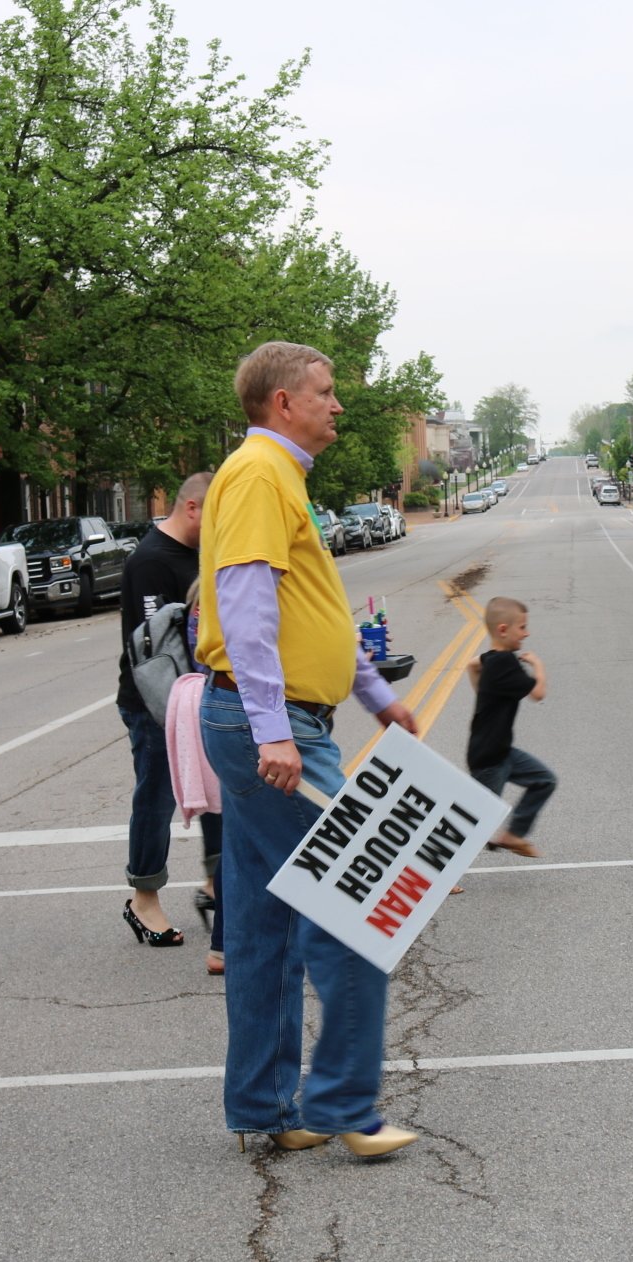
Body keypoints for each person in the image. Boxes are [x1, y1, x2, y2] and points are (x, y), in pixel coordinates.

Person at [197, 341, 420, 1158]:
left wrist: (378, 697)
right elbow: (247, 608)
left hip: (274, 721)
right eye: (325, 393)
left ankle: (266, 1105)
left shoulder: (281, 478)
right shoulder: (260, 474)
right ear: (283, 402)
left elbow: (317, 609)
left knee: (264, 926)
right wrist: (274, 732)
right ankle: (344, 1107)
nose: (337, 405)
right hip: (271, 727)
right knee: (361, 900)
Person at [115, 472, 217, 950]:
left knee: (219, 798)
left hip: (201, 697)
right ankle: (144, 896)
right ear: (193, 508)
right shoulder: (151, 562)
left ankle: (219, 885)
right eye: (215, 513)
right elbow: (155, 651)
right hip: (158, 704)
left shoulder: (198, 554)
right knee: (156, 798)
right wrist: (174, 713)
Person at [465, 597, 555, 859]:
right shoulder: (506, 663)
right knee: (472, 822)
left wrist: (483, 695)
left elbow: (472, 665)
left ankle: (514, 835)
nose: (527, 633)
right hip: (490, 759)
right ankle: (433, 873)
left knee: (544, 779)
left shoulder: (491, 658)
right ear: (503, 630)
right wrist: (538, 665)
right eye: (522, 628)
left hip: (499, 750)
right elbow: (538, 693)